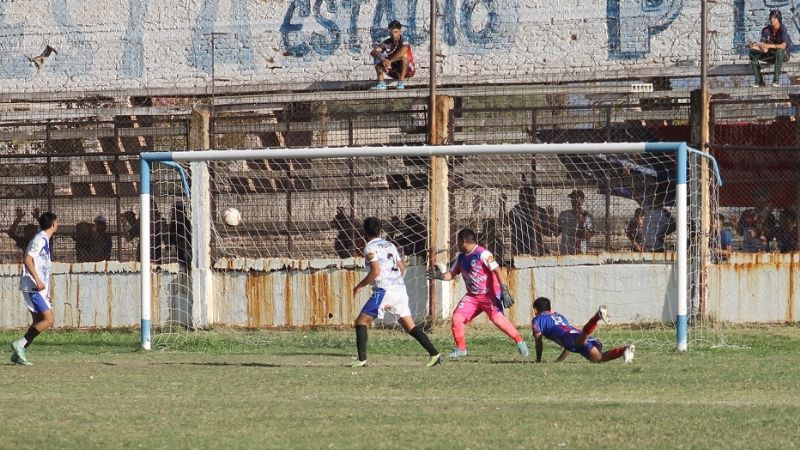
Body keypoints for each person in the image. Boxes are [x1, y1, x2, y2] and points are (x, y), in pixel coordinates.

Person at [351, 217, 442, 367]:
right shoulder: (390, 245)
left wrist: (359, 286)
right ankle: (434, 353)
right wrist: (395, 282)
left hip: (384, 290)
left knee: (361, 322)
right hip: (400, 291)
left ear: (364, 232)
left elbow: (375, 271)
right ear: (380, 231)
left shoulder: (369, 248)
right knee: (410, 326)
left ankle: (362, 360)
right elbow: (402, 267)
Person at [427, 228, 529, 358]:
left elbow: (497, 270)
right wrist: (439, 275)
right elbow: (451, 274)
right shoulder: (460, 257)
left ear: (463, 241)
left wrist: (504, 291)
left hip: (489, 295)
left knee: (497, 320)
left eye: (458, 241)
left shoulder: (483, 254)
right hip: (472, 297)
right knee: (457, 318)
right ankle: (461, 349)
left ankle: (520, 341)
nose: (457, 244)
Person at [10, 211, 59, 366]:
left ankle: (19, 353)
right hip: (33, 286)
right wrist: (37, 281)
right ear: (53, 224)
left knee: (38, 321)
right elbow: (27, 259)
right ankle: (19, 344)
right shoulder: (40, 239)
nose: (58, 224)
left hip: (37, 287)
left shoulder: (43, 237)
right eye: (57, 222)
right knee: (48, 320)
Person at [531, 297, 634, 364]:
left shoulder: (537, 320)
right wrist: (559, 361)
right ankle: (625, 349)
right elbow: (568, 347)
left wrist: (538, 360)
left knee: (580, 341)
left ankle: (597, 317)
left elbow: (538, 341)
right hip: (575, 334)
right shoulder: (559, 316)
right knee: (598, 358)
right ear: (550, 309)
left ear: (535, 310)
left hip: (568, 336)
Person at [748, 9, 792, 88]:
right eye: (771, 17)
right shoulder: (766, 30)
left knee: (779, 51)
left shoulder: (783, 29)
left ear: (779, 19)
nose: (772, 19)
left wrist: (768, 46)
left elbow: (783, 46)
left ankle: (776, 81)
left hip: (783, 55)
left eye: (774, 18)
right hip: (771, 55)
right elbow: (764, 48)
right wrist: (754, 46)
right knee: (752, 53)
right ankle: (759, 81)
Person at [508, 186, 555, 256]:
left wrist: (549, 218)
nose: (524, 199)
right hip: (518, 248)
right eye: (521, 196)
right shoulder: (515, 211)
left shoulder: (540, 211)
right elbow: (504, 223)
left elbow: (548, 233)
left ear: (532, 198)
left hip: (535, 248)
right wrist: (502, 204)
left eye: (527, 196)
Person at [369, 20, 415, 90]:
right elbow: (373, 52)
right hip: (393, 71)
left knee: (404, 57)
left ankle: (401, 82)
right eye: (391, 32)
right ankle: (381, 84)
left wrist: (390, 61)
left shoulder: (404, 40)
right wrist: (383, 60)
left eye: (396, 32)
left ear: (400, 31)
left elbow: (403, 51)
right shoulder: (387, 42)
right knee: (377, 57)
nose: (393, 35)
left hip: (407, 71)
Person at [557, 189, 594, 255]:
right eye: (572, 197)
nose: (574, 200)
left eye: (577, 197)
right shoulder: (564, 215)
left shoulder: (587, 216)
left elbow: (589, 235)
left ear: (583, 200)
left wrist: (582, 226)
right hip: (566, 252)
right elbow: (556, 233)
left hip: (581, 252)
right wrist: (551, 217)